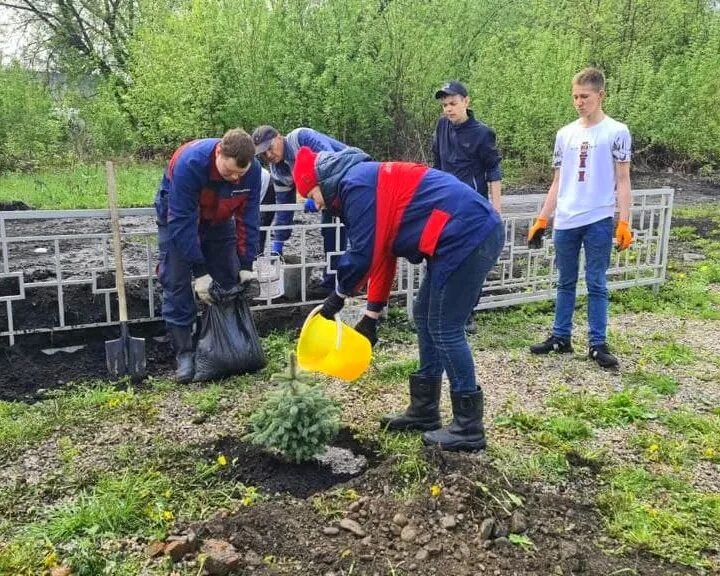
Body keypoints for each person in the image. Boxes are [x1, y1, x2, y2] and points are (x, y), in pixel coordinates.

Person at [292, 146, 504, 452]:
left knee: (445, 326)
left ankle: (469, 426)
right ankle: (425, 409)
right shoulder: (357, 182)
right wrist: (371, 316)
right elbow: (382, 253)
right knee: (424, 315)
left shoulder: (357, 185)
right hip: (457, 236)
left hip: (470, 234)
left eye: (311, 195)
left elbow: (363, 255)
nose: (315, 204)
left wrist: (335, 299)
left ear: (318, 181)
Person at [527, 67, 633, 369]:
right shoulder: (565, 134)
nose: (579, 102)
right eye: (575, 96)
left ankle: (597, 343)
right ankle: (561, 336)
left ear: (600, 95)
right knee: (565, 281)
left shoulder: (617, 131)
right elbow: (558, 181)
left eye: (584, 96)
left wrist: (623, 220)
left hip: (598, 217)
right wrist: (543, 218)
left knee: (596, 282)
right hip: (566, 218)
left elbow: (623, 179)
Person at [154, 128, 262, 383]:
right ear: (219, 153)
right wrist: (199, 272)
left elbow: (249, 217)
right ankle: (185, 353)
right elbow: (182, 221)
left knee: (228, 277)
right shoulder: (190, 163)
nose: (235, 179)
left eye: (240, 174)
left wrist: (246, 263)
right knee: (177, 281)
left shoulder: (253, 171)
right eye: (229, 172)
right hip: (177, 219)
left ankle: (223, 347)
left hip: (219, 220)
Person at [433, 80, 503, 333]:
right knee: (441, 256)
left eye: (453, 103)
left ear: (466, 101)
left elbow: (494, 169)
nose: (448, 109)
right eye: (444, 105)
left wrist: (495, 207)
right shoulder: (441, 127)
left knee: (469, 260)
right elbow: (437, 165)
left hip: (473, 206)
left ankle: (466, 313)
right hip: (444, 204)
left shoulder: (482, 133)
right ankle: (440, 309)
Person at [252, 125, 353, 295]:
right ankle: (332, 283)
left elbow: (333, 164)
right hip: (330, 197)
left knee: (356, 234)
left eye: (270, 148)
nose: (268, 155)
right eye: (263, 154)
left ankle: (359, 283)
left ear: (278, 136)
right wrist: (278, 243)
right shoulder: (278, 171)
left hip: (351, 179)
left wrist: (318, 194)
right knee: (330, 232)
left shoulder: (301, 139)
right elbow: (284, 207)